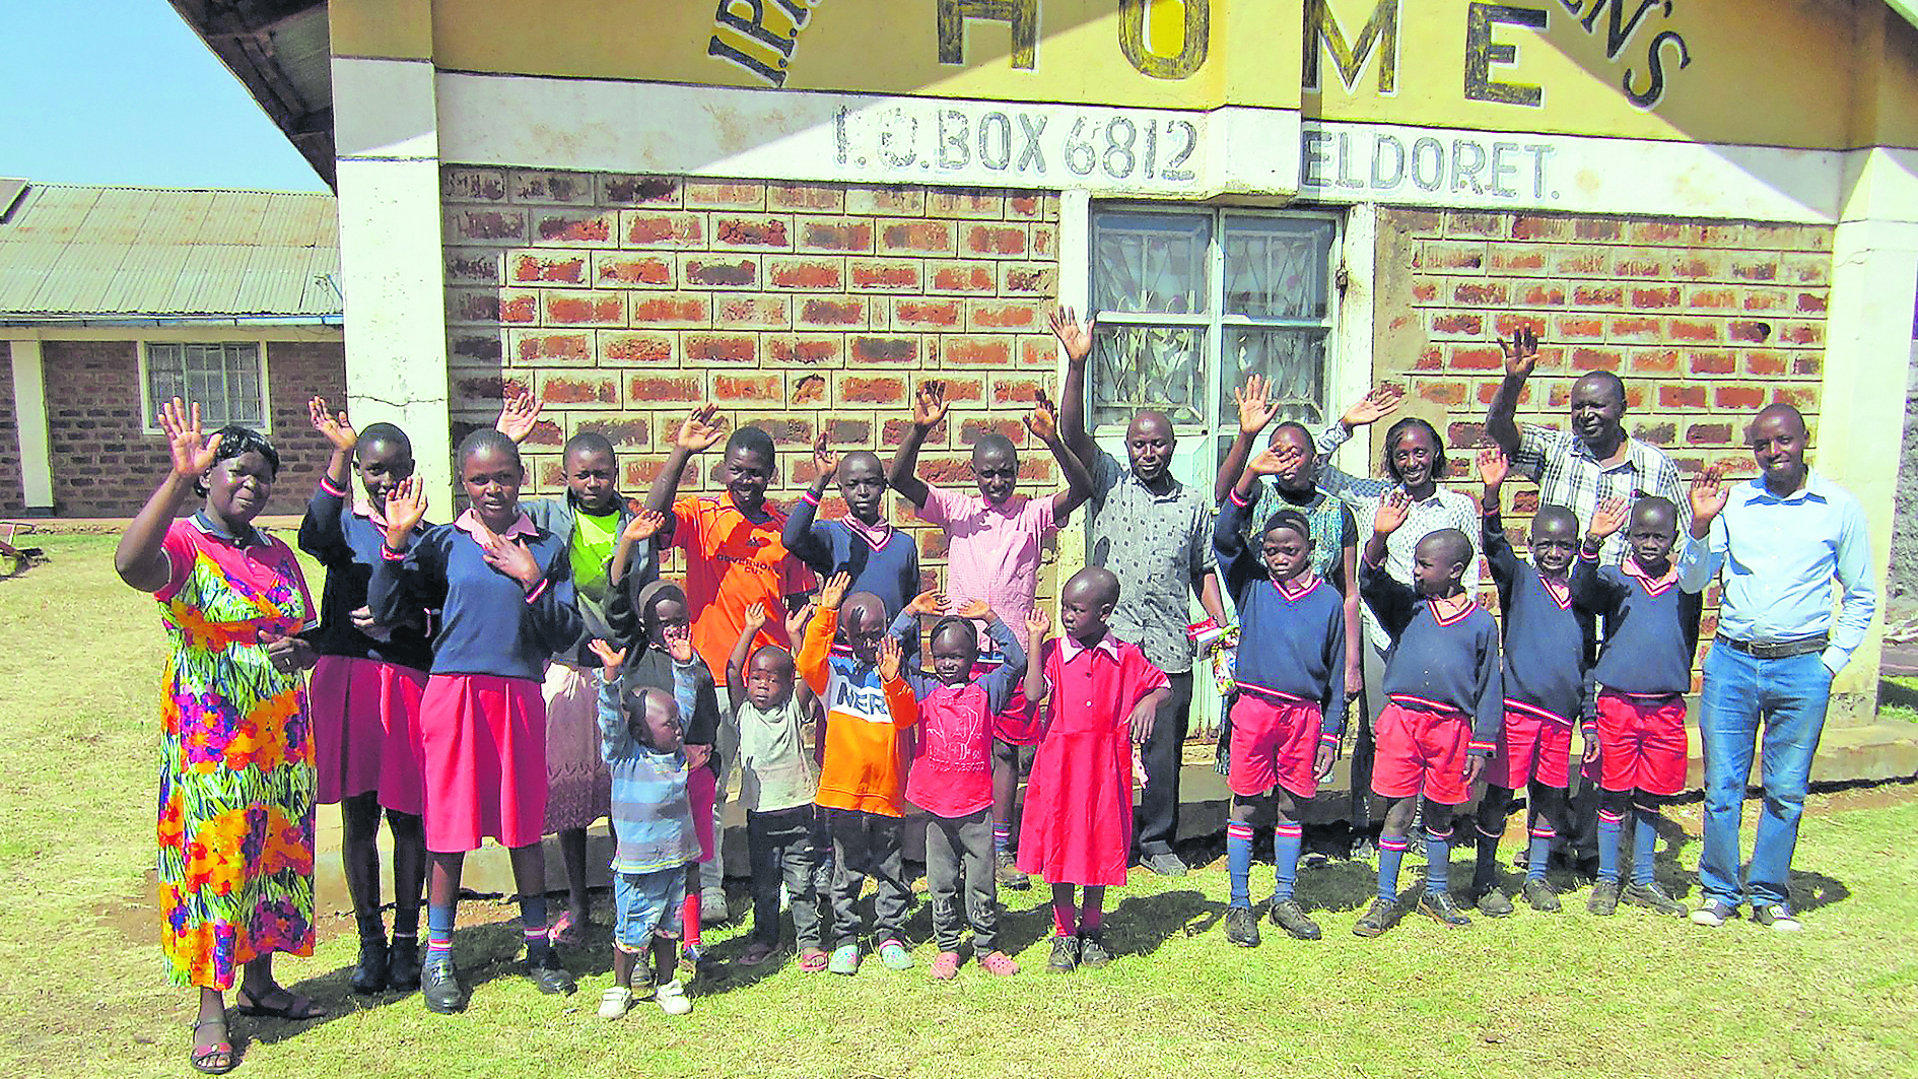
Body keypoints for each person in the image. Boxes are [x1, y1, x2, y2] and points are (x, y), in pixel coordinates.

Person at [114, 400, 324, 1074]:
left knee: (270, 856)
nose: (252, 485)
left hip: (282, 742)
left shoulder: (276, 551)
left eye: (263, 476)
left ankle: (259, 984)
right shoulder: (183, 542)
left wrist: (301, 650)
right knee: (217, 861)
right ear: (209, 475)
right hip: (215, 743)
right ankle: (212, 1007)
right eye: (238, 470)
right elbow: (129, 564)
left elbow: (309, 633)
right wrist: (174, 480)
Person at [368, 429, 583, 1012]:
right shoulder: (442, 543)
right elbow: (388, 611)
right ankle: (439, 955)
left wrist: (530, 577)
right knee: (450, 826)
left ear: (521, 476)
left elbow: (566, 632)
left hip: (517, 694)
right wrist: (395, 543)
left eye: (505, 476)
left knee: (522, 822)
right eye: (480, 479)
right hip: (455, 693)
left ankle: (538, 946)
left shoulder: (545, 544)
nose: (494, 489)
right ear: (463, 483)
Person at [889, 377, 1093, 891]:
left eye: (1005, 474)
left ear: (1017, 472)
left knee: (1006, 751)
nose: (996, 483)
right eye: (987, 474)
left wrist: (1053, 439)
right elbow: (899, 479)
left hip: (1011, 654)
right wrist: (918, 430)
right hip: (961, 655)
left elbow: (1084, 489)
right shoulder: (958, 509)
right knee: (954, 748)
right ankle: (952, 844)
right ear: (973, 473)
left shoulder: (1033, 514)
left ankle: (1000, 844)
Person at [1679, 404, 1877, 931]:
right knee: (1723, 787)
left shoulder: (1838, 508)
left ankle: (1768, 892)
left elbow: (1861, 596)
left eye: (1783, 441)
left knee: (1786, 789)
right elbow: (1692, 581)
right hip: (1733, 663)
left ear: (1803, 440)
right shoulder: (1735, 504)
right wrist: (1699, 524)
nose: (1774, 453)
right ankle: (1719, 889)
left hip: (1801, 666)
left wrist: (1829, 664)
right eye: (1763, 445)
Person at [1055, 309, 1228, 877]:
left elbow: (1203, 570)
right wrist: (1077, 365)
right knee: (1104, 747)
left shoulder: (1194, 504)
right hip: (1110, 649)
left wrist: (1218, 625)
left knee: (1163, 752)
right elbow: (1073, 434)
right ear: (1126, 447)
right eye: (1137, 443)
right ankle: (1106, 836)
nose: (1146, 452)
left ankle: (1157, 841)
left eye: (1156, 444)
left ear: (1173, 447)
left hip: (1169, 648)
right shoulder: (1106, 481)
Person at [645, 405, 816, 923]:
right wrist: (680, 451)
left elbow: (799, 607)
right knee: (711, 783)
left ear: (771, 473)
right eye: (737, 469)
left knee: (774, 780)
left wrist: (797, 668)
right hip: (711, 678)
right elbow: (652, 520)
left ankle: (788, 878)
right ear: (722, 470)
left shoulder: (785, 531)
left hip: (766, 686)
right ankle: (713, 882)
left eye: (756, 471)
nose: (746, 480)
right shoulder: (702, 516)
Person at [298, 398, 432, 994]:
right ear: (360, 474)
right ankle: (369, 942)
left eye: (395, 468)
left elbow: (439, 611)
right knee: (359, 816)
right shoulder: (344, 527)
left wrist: (399, 621)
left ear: (412, 468)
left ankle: (408, 940)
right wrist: (339, 451)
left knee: (410, 818)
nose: (385, 480)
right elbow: (311, 533)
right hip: (350, 681)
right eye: (372, 469)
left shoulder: (432, 537)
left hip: (405, 681)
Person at [1309, 387, 1481, 851]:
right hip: (1379, 629)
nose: (1412, 462)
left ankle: (1421, 822)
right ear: (1390, 460)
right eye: (1402, 454)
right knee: (1375, 728)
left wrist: (1461, 627)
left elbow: (1474, 571)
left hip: (1436, 632)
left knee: (1428, 726)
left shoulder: (1459, 507)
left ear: (1436, 455)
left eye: (1420, 452)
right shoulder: (1373, 497)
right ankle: (1365, 822)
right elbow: (1314, 468)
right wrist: (1346, 425)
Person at [496, 394, 630, 945]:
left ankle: (630, 898)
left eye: (601, 473)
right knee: (572, 797)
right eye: (581, 475)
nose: (592, 483)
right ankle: (577, 903)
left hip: (621, 666)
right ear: (565, 477)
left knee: (621, 788)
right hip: (566, 669)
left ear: (615, 474)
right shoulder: (552, 516)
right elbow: (499, 510)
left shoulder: (631, 519)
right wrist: (509, 440)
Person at [1213, 445, 1348, 946]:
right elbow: (1226, 536)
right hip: (1254, 710)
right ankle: (1240, 902)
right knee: (1245, 805)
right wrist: (1248, 478)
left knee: (1293, 806)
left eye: (1289, 550)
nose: (1278, 559)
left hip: (1304, 718)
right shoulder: (1252, 587)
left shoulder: (1330, 601)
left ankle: (1286, 895)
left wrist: (1332, 732)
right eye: (1270, 550)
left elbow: (1335, 676)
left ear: (1309, 549)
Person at [1352, 494, 1502, 937]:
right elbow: (1370, 579)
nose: (1415, 572)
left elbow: (1489, 685)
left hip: (1452, 728)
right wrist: (1379, 536)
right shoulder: (1408, 608)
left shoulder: (1480, 624)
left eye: (1424, 565)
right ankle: (1384, 898)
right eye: (1415, 563)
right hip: (1403, 721)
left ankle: (1436, 890)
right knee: (1399, 810)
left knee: (1440, 813)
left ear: (1455, 571)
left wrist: (1482, 741)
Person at [1019, 568, 1172, 972]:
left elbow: (1162, 685)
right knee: (1062, 846)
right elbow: (1033, 693)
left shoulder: (1125, 657)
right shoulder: (1053, 652)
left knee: (1100, 845)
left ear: (1104, 613)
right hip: (1061, 767)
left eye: (1077, 609)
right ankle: (1064, 933)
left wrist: (1148, 702)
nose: (1068, 616)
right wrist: (1035, 642)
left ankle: (1092, 928)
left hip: (1106, 767)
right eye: (1065, 607)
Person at [1470, 446, 1594, 917]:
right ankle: (1485, 875)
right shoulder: (1519, 580)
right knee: (1500, 794)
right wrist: (1493, 493)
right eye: (1546, 544)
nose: (1555, 552)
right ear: (1533, 543)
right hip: (1517, 712)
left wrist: (1589, 718)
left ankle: (1537, 876)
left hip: (1559, 718)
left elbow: (1587, 659)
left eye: (1565, 545)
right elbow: (1494, 546)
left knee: (1549, 796)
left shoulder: (1584, 594)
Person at [888, 590, 1027, 978]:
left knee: (981, 880)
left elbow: (1017, 660)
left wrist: (991, 619)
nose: (948, 664)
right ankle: (948, 945)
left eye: (958, 656)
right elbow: (890, 650)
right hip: (936, 809)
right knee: (942, 880)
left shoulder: (987, 691)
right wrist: (911, 610)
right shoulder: (924, 689)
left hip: (977, 809)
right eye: (941, 657)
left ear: (974, 658)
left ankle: (986, 945)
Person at [1573, 496, 1700, 918]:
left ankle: (1643, 880)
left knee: (1650, 795)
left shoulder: (1686, 582)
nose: (1650, 544)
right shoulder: (1615, 579)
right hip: (1618, 706)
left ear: (1674, 539)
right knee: (1613, 792)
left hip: (1664, 708)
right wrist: (1591, 543)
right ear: (1627, 537)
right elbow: (1582, 592)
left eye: (1659, 536)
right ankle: (1609, 877)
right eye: (1641, 535)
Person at [1213, 375, 1363, 710]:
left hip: (1313, 643)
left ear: (1314, 459)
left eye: (1296, 453)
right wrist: (1247, 440)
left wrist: (1351, 663)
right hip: (1260, 637)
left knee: (1309, 744)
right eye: (1279, 453)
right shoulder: (1259, 495)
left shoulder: (1337, 512)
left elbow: (1348, 591)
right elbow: (1224, 497)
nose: (1287, 461)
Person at [603, 576, 725, 976]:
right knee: (642, 878)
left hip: (689, 781)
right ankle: (637, 952)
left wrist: (704, 753)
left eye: (680, 619)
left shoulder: (694, 661)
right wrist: (628, 545)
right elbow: (616, 603)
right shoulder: (635, 659)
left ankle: (689, 942)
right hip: (644, 793)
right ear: (646, 625)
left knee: (686, 867)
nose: (673, 629)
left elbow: (698, 711)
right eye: (663, 622)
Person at [798, 572, 919, 975]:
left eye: (877, 632)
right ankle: (846, 937)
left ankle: (890, 934)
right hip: (843, 794)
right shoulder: (833, 675)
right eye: (862, 635)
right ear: (847, 635)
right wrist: (826, 612)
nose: (871, 643)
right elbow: (808, 660)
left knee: (890, 867)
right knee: (846, 869)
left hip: (886, 793)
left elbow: (906, 719)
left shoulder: (895, 674)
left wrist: (892, 680)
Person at [1484, 328, 1688, 562]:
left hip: (1620, 595)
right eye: (1578, 407)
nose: (1586, 414)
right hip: (1556, 593)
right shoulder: (1556, 451)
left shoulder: (1655, 465)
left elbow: (1680, 546)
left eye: (1597, 406)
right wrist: (1514, 382)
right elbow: (1498, 428)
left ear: (1622, 409)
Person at [584, 653, 700, 1020]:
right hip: (637, 866)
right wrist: (611, 676)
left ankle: (667, 983)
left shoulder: (675, 753)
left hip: (675, 862)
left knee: (669, 929)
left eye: (677, 724)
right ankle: (621, 986)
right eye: (669, 725)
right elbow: (610, 721)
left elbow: (684, 705)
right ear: (640, 732)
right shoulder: (625, 757)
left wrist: (682, 666)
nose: (678, 730)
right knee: (631, 928)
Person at [723, 602, 827, 971]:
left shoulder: (793, 710)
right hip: (760, 817)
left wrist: (796, 636)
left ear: (786, 685)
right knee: (764, 887)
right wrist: (750, 629)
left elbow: (811, 674)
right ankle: (766, 938)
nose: (762, 685)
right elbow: (732, 668)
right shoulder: (744, 712)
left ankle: (810, 940)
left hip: (798, 811)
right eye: (757, 678)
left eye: (772, 679)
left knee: (801, 882)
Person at [783, 434, 920, 619]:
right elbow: (791, 539)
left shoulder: (903, 545)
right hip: (843, 647)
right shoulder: (830, 536)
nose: (862, 492)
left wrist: (912, 648)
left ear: (883, 486)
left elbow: (912, 610)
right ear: (841, 490)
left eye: (870, 483)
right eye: (853, 485)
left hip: (891, 646)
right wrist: (821, 479)